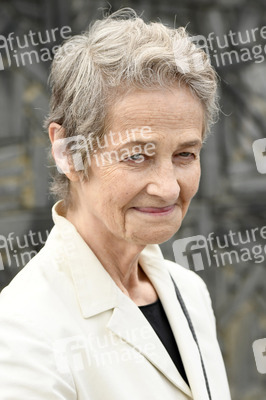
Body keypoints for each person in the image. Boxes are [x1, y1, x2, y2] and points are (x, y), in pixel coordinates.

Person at [0, 8, 231, 400]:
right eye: (137, 156)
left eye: (185, 155)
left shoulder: (189, 291)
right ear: (68, 153)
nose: (168, 188)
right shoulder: (21, 329)